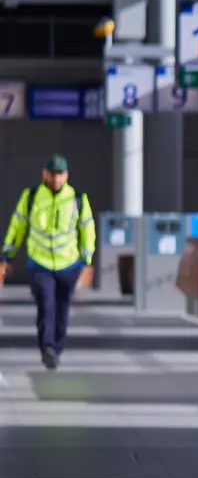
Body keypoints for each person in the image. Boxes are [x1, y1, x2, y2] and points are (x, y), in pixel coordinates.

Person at [1, 154, 95, 370]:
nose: (56, 178)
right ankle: (47, 347)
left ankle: (56, 349)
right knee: (46, 305)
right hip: (40, 263)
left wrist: (85, 259)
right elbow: (18, 226)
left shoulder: (77, 199)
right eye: (52, 174)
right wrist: (7, 255)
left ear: (66, 175)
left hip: (69, 264)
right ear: (44, 174)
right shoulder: (31, 197)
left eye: (60, 174)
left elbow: (87, 230)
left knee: (62, 309)